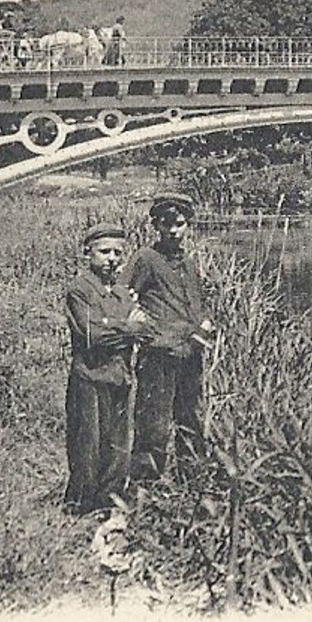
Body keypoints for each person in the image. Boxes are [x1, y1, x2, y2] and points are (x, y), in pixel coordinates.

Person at [126, 192, 216, 477]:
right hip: (159, 355)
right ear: (156, 225)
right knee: (153, 423)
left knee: (191, 419)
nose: (173, 230)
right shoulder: (146, 258)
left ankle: (192, 481)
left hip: (190, 353)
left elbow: (196, 305)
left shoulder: (188, 263)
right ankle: (145, 488)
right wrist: (141, 327)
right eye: (166, 224)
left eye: (179, 223)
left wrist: (203, 325)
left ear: (188, 224)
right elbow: (123, 296)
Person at [63, 223, 151, 514]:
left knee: (118, 446)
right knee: (88, 444)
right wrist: (129, 326)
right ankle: (80, 505)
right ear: (87, 253)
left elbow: (147, 330)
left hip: (120, 375)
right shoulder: (80, 290)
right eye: (104, 252)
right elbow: (92, 336)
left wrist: (120, 326)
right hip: (90, 376)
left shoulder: (123, 293)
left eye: (117, 253)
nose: (112, 258)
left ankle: (108, 503)